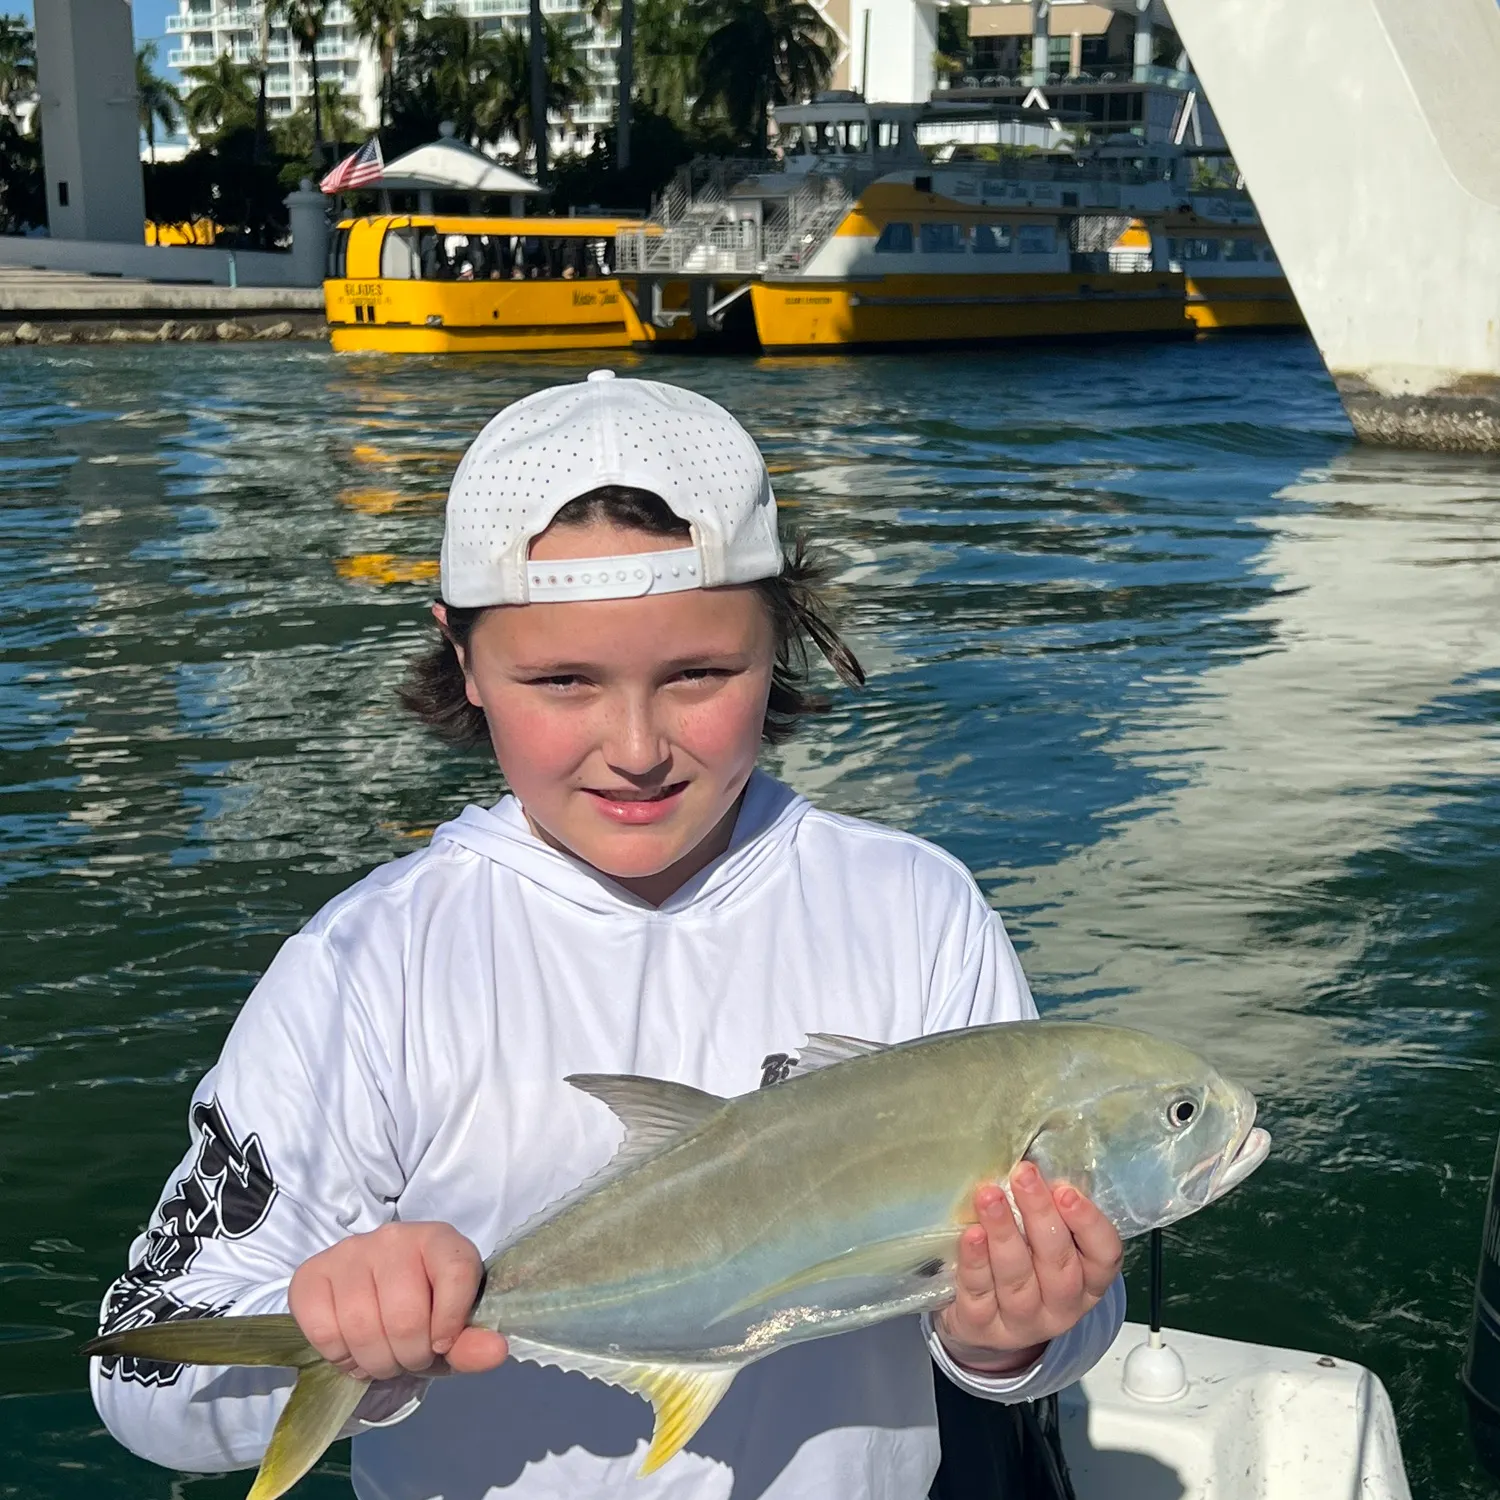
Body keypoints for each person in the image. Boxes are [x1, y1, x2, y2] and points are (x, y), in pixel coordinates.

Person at [89, 373, 1125, 1500]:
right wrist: (341, 1326)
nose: (635, 747)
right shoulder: (367, 963)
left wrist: (1011, 1334)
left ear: (780, 640)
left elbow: (1056, 1321)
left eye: (698, 675)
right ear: (462, 658)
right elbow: (142, 1374)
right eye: (562, 681)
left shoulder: (916, 908)